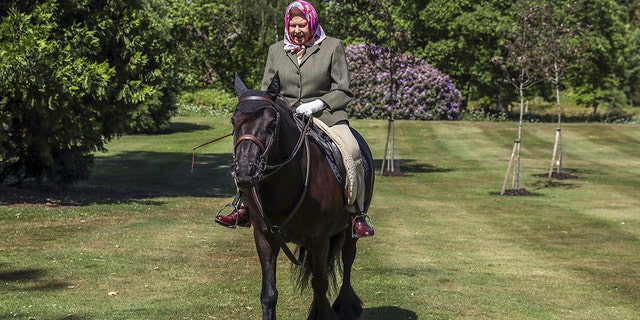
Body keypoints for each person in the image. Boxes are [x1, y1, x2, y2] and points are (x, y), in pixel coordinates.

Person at [216, 0, 374, 238]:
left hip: (326, 115)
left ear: (312, 23)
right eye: (293, 25)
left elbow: (343, 89)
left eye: (302, 25)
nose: (298, 31)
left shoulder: (332, 47)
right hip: (285, 116)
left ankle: (356, 213)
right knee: (250, 151)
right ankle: (244, 206)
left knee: (352, 150)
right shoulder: (275, 50)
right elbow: (268, 91)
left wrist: (317, 104)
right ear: (287, 25)